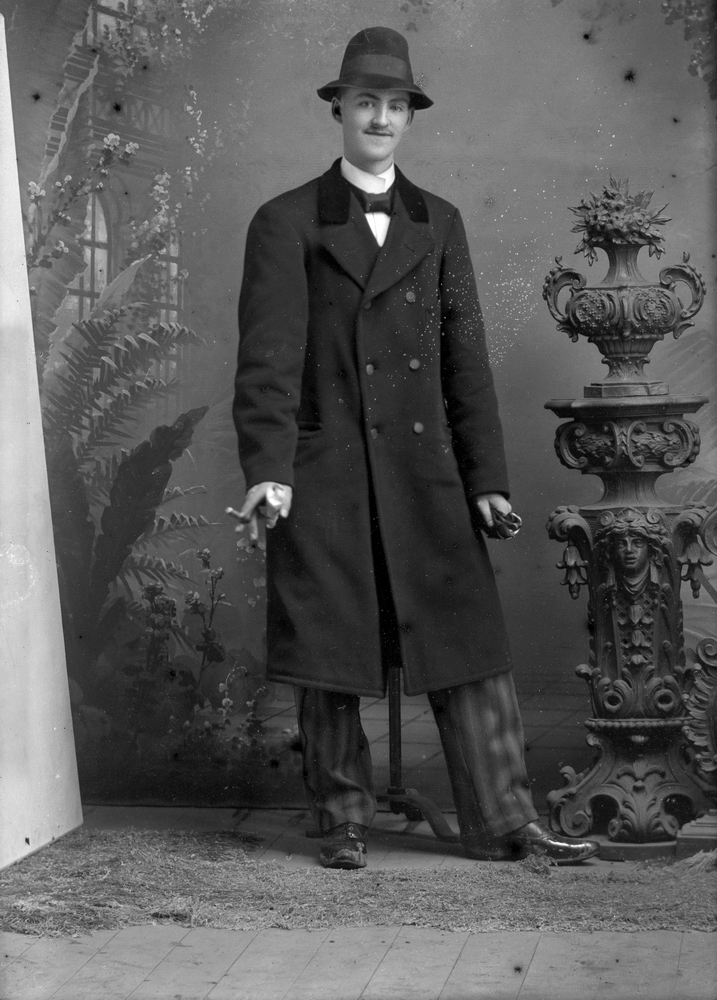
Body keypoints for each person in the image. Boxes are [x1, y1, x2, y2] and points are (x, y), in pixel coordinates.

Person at [232, 26, 599, 869]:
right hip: (323, 473)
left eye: (395, 105)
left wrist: (486, 480)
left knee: (465, 641)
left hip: (423, 473)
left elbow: (465, 362)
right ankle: (342, 817)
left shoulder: (439, 223)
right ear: (338, 109)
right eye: (365, 102)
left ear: (409, 116)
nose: (380, 118)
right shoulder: (285, 221)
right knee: (329, 646)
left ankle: (504, 819)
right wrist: (270, 473)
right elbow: (267, 362)